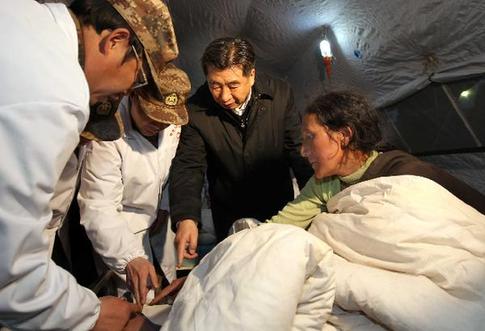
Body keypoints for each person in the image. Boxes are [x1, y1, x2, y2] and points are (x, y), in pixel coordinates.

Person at [0, 0, 179, 329]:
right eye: (137, 78)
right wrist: (91, 314)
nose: (127, 91)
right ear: (115, 41)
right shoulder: (57, 90)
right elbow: (9, 271)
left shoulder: (23, 20)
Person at [169, 37, 313, 265]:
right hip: (229, 213)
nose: (224, 96)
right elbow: (189, 165)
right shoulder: (196, 110)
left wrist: (315, 201)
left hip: (279, 208)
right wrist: (186, 217)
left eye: (233, 85)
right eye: (215, 85)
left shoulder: (280, 95)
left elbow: (299, 152)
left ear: (252, 75)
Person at [267, 91, 485, 229]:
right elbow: (283, 224)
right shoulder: (322, 184)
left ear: (343, 135)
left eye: (310, 137)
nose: (303, 151)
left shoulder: (408, 174)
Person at [78, 64, 191, 306]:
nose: (160, 124)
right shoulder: (107, 133)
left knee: (168, 295)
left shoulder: (172, 123)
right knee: (136, 303)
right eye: (152, 115)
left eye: (166, 120)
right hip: (120, 229)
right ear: (134, 94)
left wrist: (164, 204)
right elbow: (99, 205)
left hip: (159, 223)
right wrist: (130, 258)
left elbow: (171, 169)